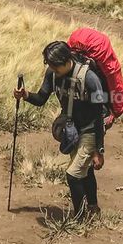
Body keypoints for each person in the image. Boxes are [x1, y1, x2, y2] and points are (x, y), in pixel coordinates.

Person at [15, 40, 109, 219]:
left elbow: (99, 114)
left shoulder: (90, 79)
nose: (53, 69)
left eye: (56, 66)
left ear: (67, 60)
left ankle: (80, 218)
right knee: (84, 170)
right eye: (50, 65)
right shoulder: (52, 73)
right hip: (72, 128)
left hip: (90, 129)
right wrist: (25, 95)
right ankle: (93, 208)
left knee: (73, 175)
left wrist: (99, 149)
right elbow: (41, 98)